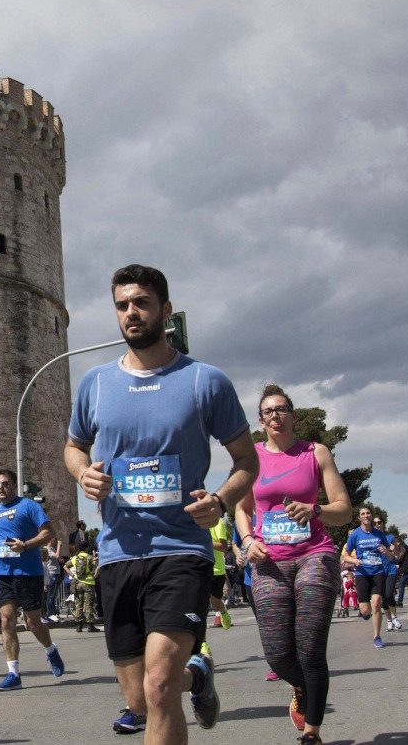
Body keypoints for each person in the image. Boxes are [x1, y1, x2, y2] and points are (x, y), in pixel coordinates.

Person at [65, 265, 259, 743]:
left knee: (158, 686)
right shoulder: (95, 383)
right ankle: (201, 677)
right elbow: (73, 447)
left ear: (165, 311)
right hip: (117, 553)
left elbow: (246, 462)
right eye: (122, 304)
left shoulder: (204, 381)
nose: (131, 312)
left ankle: (184, 678)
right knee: (139, 700)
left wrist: (220, 499)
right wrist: (82, 474)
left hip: (181, 549)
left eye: (142, 303)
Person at [236, 383, 352, 745]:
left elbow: (343, 509)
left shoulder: (316, 453)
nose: (275, 415)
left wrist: (314, 508)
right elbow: (240, 509)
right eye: (268, 411)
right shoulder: (250, 458)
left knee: (311, 648)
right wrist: (247, 540)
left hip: (314, 553)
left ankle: (312, 732)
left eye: (281, 409)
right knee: (278, 655)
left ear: (293, 415)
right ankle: (301, 685)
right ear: (260, 419)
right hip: (269, 562)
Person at [0, 468, 65, 690]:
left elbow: (49, 532)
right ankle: (13, 673)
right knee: (7, 620)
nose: (1, 488)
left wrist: (26, 545)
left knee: (32, 623)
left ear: (14, 485)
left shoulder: (29, 506)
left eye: (5, 483)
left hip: (29, 573)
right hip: (4, 574)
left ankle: (50, 649)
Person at [340, 507, 393, 646]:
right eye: (363, 514)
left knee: (376, 603)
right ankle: (365, 613)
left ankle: (377, 636)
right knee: (365, 609)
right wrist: (354, 561)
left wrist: (386, 551)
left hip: (378, 572)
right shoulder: (355, 535)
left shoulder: (379, 534)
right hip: (362, 573)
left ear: (371, 516)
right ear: (359, 518)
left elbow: (391, 556)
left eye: (368, 513)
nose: (366, 515)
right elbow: (344, 556)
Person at [374, 516, 402, 633]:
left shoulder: (390, 537)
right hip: (379, 570)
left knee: (389, 594)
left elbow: (398, 553)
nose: (377, 525)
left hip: (390, 569)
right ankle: (389, 620)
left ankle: (395, 617)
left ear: (383, 524)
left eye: (379, 522)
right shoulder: (373, 538)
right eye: (375, 523)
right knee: (383, 598)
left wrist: (393, 549)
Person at [66, 543, 100, 633]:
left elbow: (65, 566)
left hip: (78, 583)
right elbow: (97, 566)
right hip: (88, 583)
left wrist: (73, 575)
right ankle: (90, 625)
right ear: (86, 548)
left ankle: (79, 625)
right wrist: (95, 575)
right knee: (88, 604)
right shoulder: (89, 557)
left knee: (79, 604)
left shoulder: (75, 558)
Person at [208, 517, 233, 630]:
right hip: (198, 567)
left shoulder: (216, 522)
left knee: (215, 605)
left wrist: (204, 541)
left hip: (216, 569)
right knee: (199, 603)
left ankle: (223, 611)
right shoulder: (191, 520)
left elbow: (224, 547)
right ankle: (202, 643)